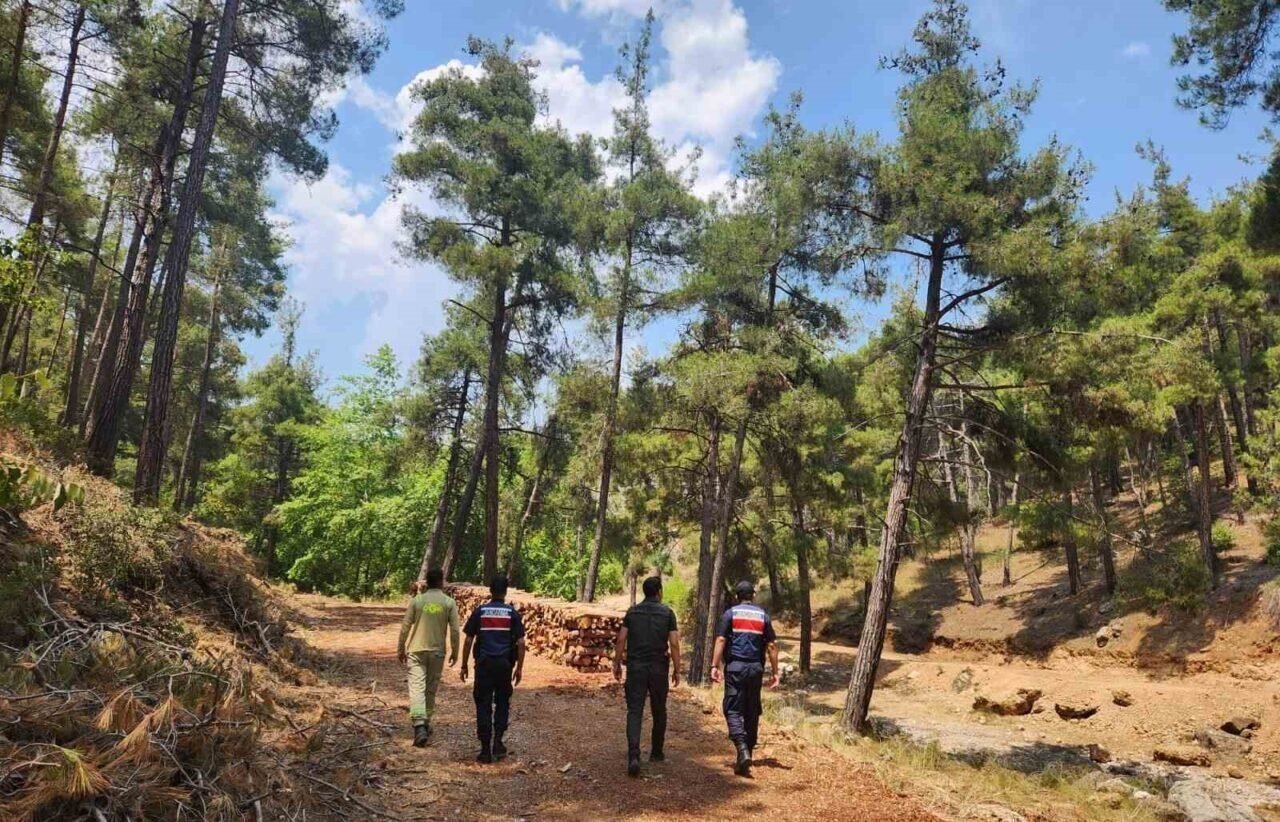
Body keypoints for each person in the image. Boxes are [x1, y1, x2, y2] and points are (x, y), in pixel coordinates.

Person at [710, 580, 779, 777]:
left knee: (732, 708)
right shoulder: (763, 616)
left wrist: (715, 665)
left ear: (737, 597)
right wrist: (775, 672)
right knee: (752, 709)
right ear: (753, 595)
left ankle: (741, 747)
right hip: (755, 669)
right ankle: (747, 753)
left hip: (735, 668)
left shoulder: (730, 614)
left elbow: (721, 639)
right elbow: (772, 645)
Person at [613, 576, 680, 777]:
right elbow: (674, 643)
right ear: (659, 592)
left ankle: (634, 756)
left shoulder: (632, 612)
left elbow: (621, 638)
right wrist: (677, 668)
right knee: (659, 710)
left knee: (635, 711)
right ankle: (657, 752)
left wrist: (617, 662)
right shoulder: (668, 613)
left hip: (636, 667)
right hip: (659, 668)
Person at [460, 574, 525, 763]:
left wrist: (464, 665)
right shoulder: (511, 613)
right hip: (504, 665)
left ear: (490, 591)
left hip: (484, 665)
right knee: (502, 703)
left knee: (483, 704)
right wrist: (519, 668)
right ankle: (498, 743)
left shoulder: (480, 612)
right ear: (505, 591)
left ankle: (484, 750)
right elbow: (521, 643)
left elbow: (469, 640)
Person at [397, 567, 460, 747]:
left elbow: (405, 626)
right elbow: (455, 630)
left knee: (417, 688)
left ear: (427, 582)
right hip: (437, 652)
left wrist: (400, 648)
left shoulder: (417, 601)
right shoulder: (448, 602)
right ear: (441, 582)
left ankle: (419, 725)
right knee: (430, 689)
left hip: (416, 650)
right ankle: (426, 722)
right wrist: (455, 651)